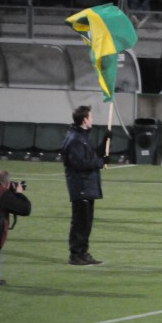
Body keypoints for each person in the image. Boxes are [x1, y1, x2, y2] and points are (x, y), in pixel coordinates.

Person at [63, 105, 109, 265]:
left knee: (86, 222)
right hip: (81, 186)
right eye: (91, 117)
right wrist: (100, 163)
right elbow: (80, 163)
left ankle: (83, 252)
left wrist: (105, 143)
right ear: (84, 120)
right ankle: (76, 254)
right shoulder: (75, 139)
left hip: (87, 186)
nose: (92, 119)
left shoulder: (81, 136)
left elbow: (92, 156)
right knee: (80, 222)